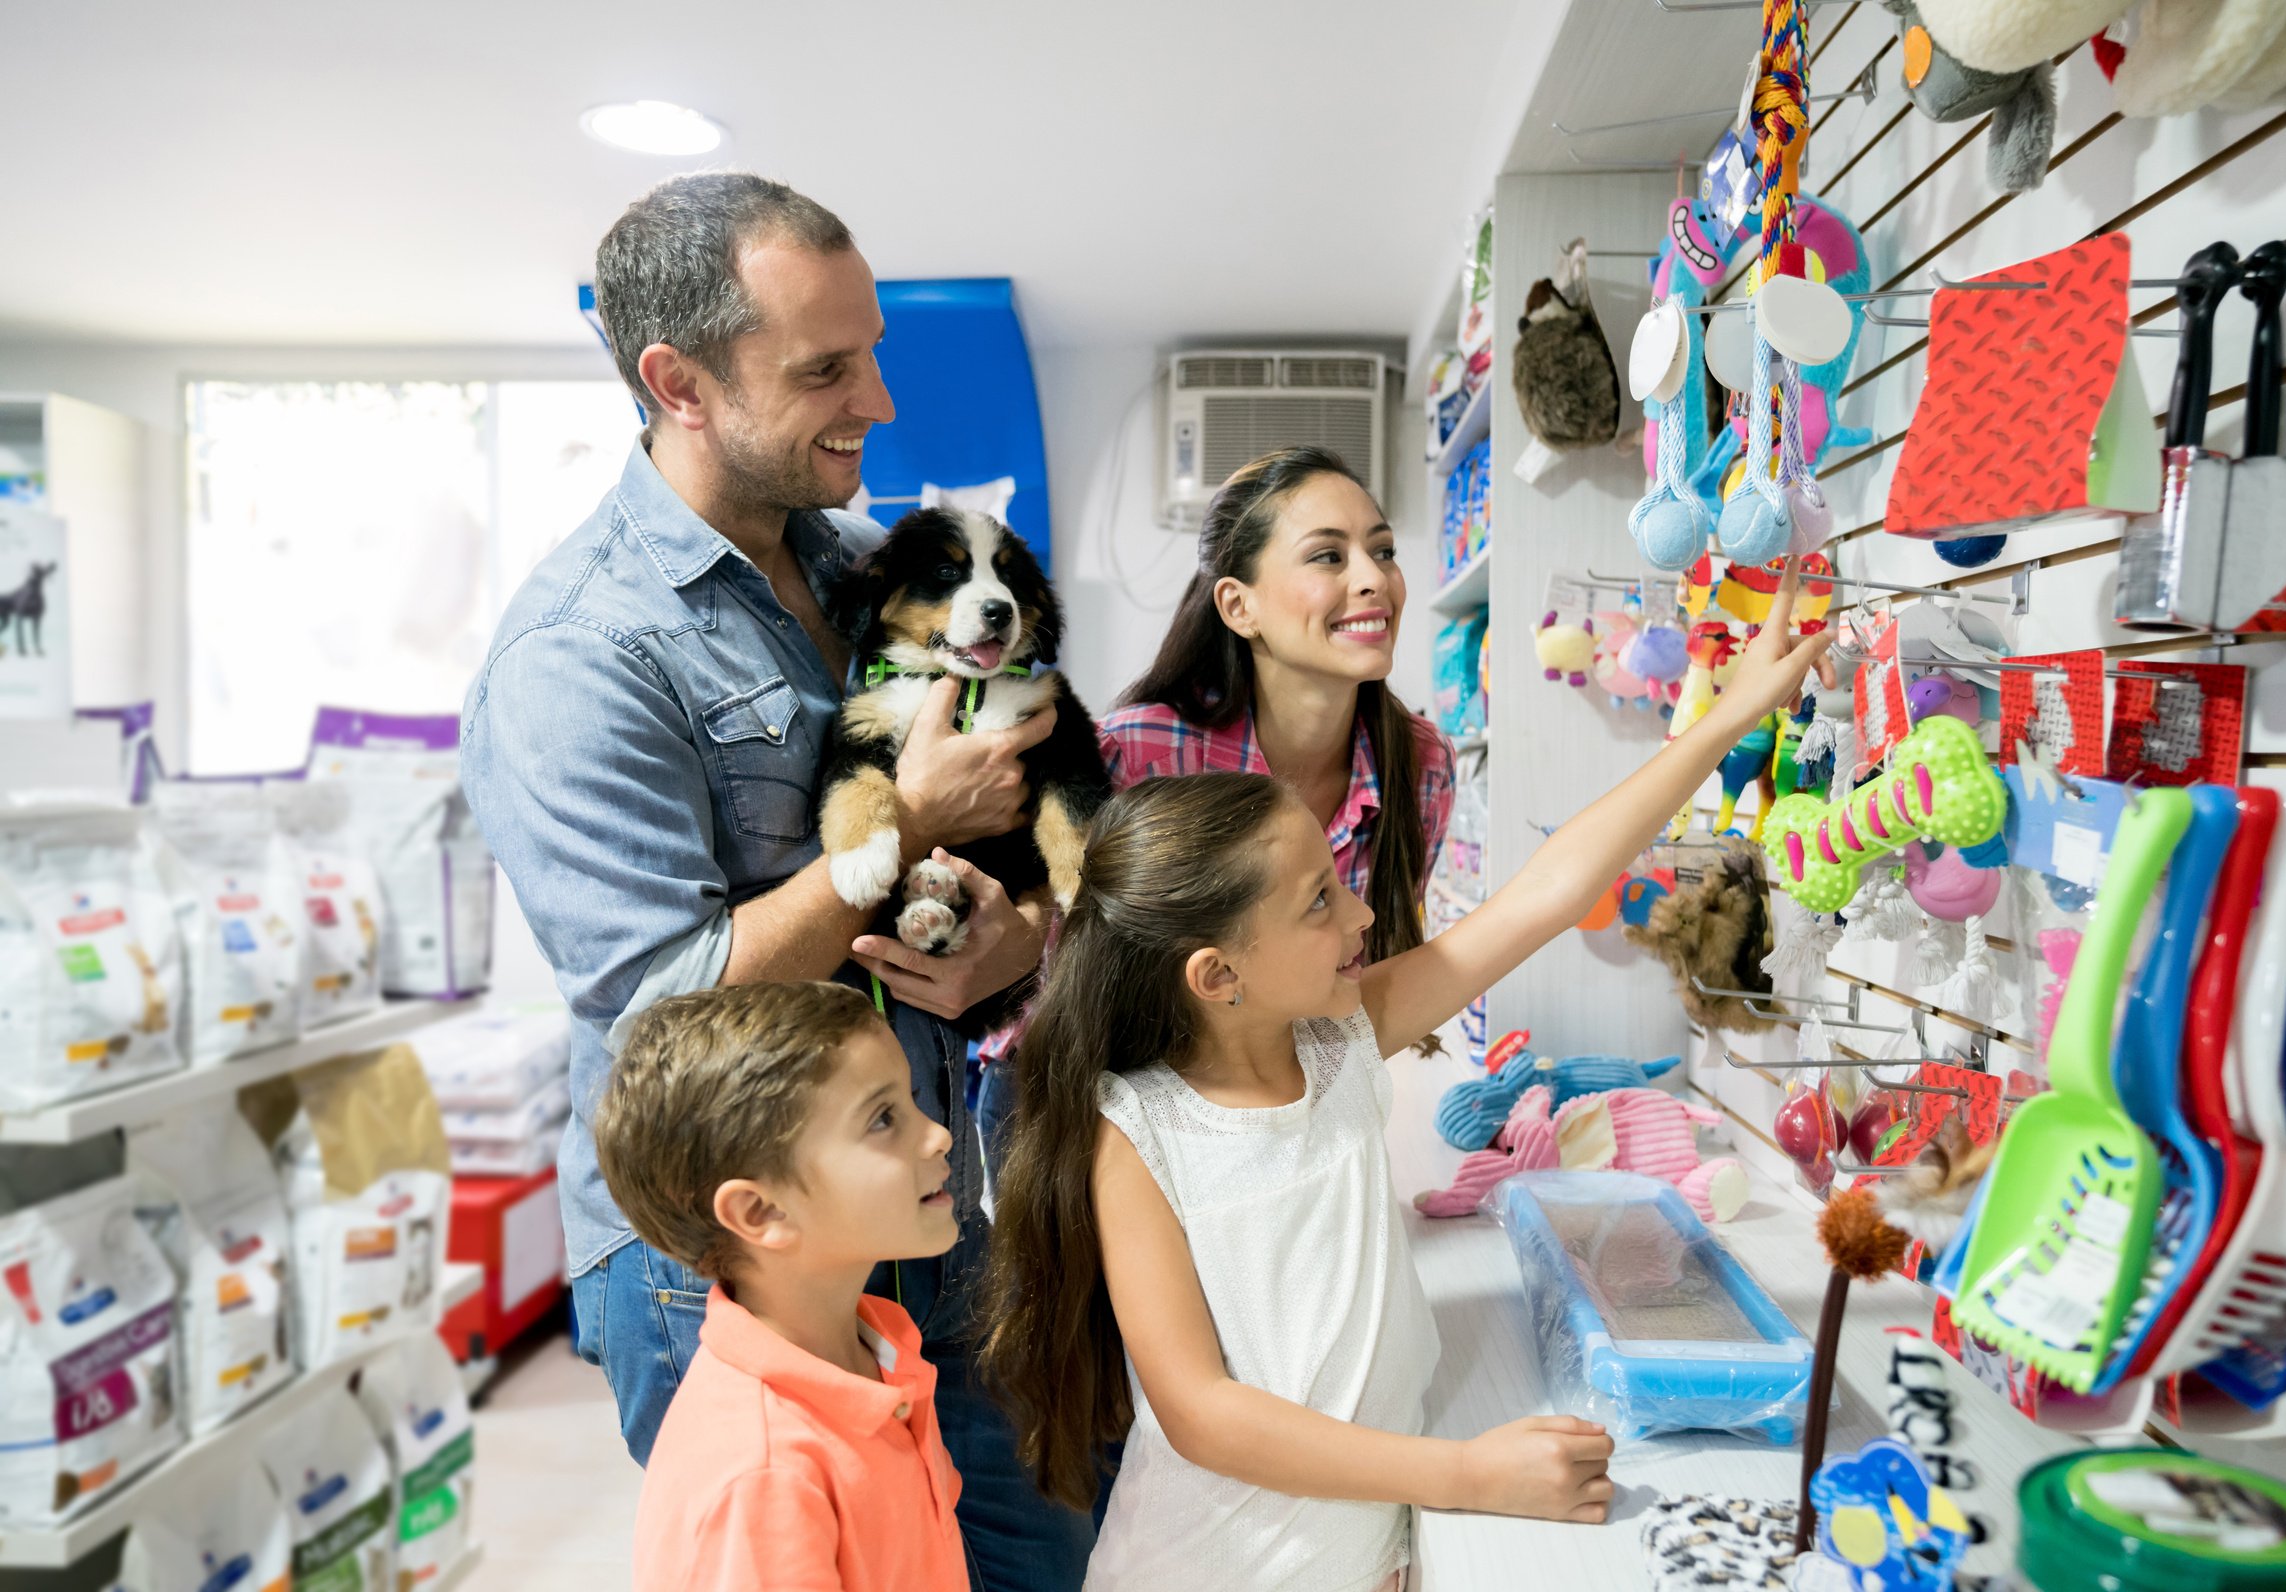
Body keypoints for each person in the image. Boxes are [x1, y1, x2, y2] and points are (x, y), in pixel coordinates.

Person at [459, 172, 1092, 1585]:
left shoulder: (881, 564)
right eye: (823, 369)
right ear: (677, 381)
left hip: (931, 1193)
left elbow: (1036, 812)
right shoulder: (577, 656)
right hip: (725, 1262)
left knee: (1040, 1558)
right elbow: (653, 1019)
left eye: (870, 349)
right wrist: (893, 835)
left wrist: (1017, 939)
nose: (874, 399)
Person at [981, 576, 1830, 1592]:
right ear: (1218, 976)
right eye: (1318, 903)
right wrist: (1460, 1473)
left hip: (1362, 1546)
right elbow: (1204, 1414)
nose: (1360, 916)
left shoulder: (1336, 1040)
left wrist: (1727, 718)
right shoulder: (1139, 1131)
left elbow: (1550, 890)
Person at [976, 445, 1454, 1181]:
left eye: (1382, 550)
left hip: (1270, 1105)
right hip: (1083, 1101)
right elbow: (1065, 975)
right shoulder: (1136, 753)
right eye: (1327, 556)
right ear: (1239, 605)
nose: (1374, 579)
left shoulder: (1421, 764)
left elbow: (1359, 975)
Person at [597, 982, 967, 1592]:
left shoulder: (876, 1355)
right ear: (761, 1212)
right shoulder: (764, 1475)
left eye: (913, 1099)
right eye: (882, 1119)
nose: (937, 1135)